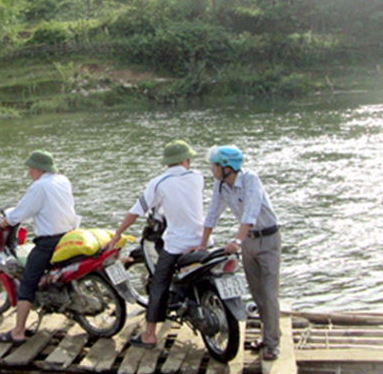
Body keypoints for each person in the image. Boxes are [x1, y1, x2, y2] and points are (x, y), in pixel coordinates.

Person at [106, 139, 204, 348]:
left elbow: (136, 211)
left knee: (159, 283)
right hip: (202, 241)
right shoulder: (198, 177)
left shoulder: (159, 183)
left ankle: (149, 335)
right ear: (186, 161)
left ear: (168, 162)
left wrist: (117, 234)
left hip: (177, 244)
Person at [198, 145, 282, 360]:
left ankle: (272, 343)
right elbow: (212, 214)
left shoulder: (250, 179)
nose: (212, 169)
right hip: (249, 242)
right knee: (256, 292)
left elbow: (250, 213)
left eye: (215, 165)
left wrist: (237, 240)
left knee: (269, 293)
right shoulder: (221, 185)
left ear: (227, 167)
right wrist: (202, 244)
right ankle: (266, 335)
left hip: (268, 239)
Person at [0, 151, 80, 345]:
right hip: (69, 236)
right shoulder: (62, 180)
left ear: (39, 169)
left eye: (31, 168)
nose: (29, 172)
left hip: (49, 242)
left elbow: (20, 213)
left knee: (27, 282)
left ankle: (18, 332)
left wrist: (3, 223)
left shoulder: (39, 186)